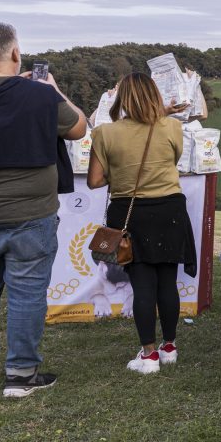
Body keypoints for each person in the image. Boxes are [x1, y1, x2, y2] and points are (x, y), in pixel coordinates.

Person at [0, 23, 86, 397]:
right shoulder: (39, 96)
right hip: (31, 214)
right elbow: (78, 128)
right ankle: (21, 375)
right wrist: (52, 89)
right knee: (27, 293)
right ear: (14, 54)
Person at [88, 72, 197, 375]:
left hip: (129, 212)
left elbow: (96, 180)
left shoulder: (105, 133)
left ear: (122, 98)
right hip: (170, 209)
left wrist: (121, 171)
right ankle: (170, 347)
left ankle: (148, 355)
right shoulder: (172, 127)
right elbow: (169, 160)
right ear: (155, 96)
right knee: (167, 282)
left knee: (143, 285)